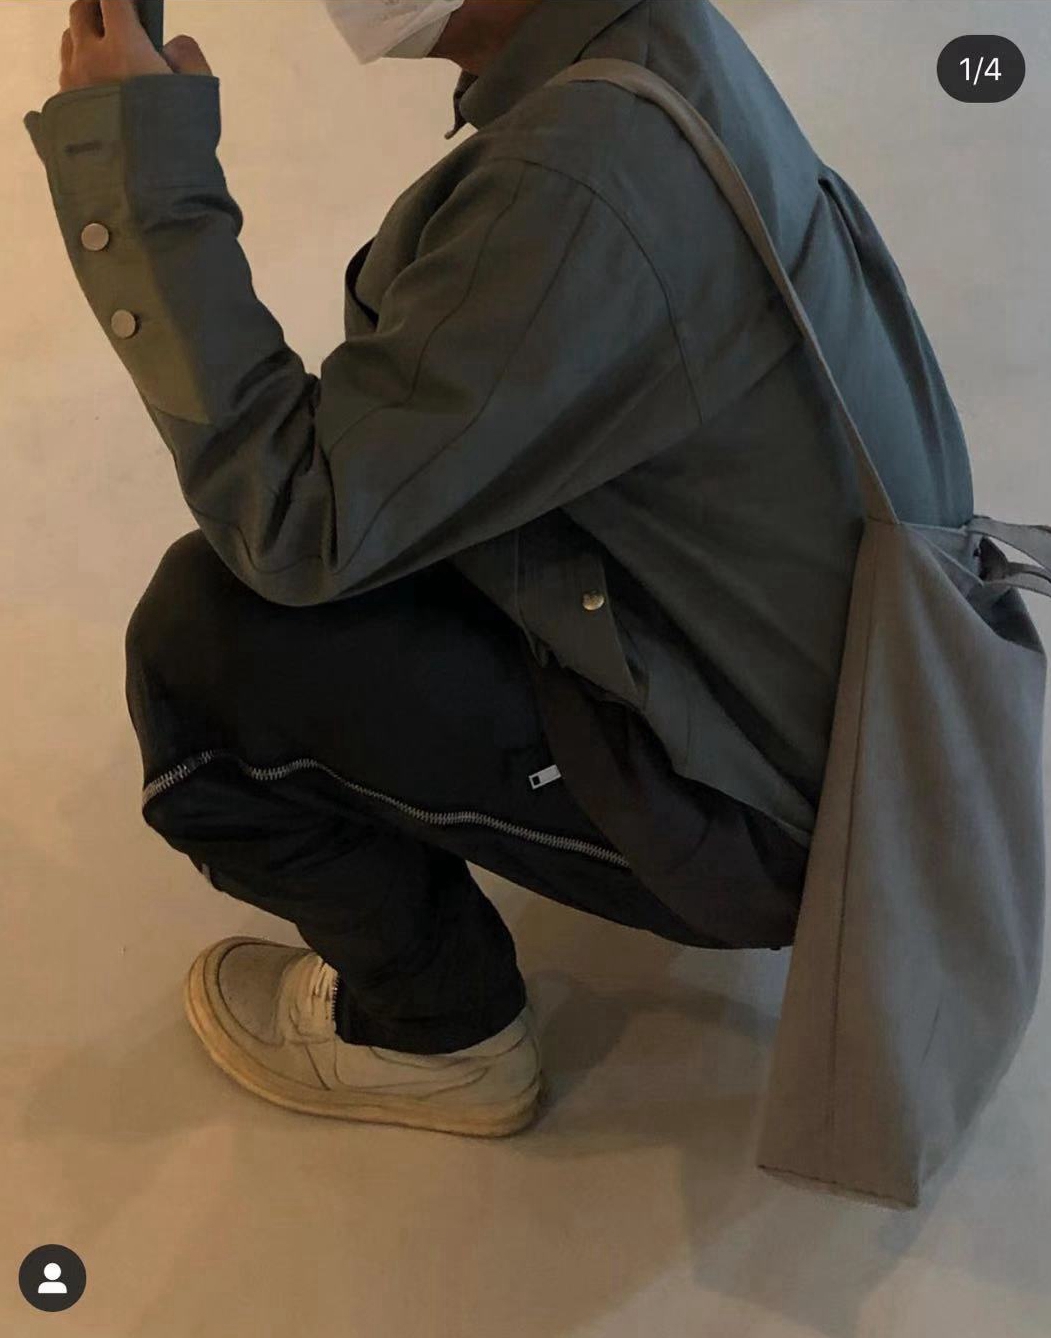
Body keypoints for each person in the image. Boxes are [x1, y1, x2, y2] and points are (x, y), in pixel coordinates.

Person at [24, 0, 972, 1137]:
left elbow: (297, 522)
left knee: (206, 647)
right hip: (880, 710)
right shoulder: (653, 43)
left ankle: (438, 1032)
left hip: (777, 820)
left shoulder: (575, 179)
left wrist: (139, 179)